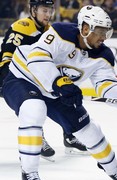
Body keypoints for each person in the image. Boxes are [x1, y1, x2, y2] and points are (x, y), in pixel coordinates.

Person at [2, 5, 117, 180]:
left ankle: (115, 171)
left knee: (89, 130)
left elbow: (106, 86)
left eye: (107, 32)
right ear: (85, 28)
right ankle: (29, 176)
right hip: (23, 78)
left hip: (57, 90)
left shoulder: (103, 55)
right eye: (100, 32)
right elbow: (37, 58)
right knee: (34, 109)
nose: (103, 37)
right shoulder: (61, 32)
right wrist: (58, 81)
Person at [0, 0, 88, 162]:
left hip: (36, 76)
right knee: (30, 104)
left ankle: (69, 135)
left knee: (66, 95)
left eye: (50, 11)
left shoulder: (50, 30)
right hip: (15, 76)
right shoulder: (23, 26)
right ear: (33, 10)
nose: (48, 15)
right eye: (44, 11)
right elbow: (6, 59)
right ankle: (37, 137)